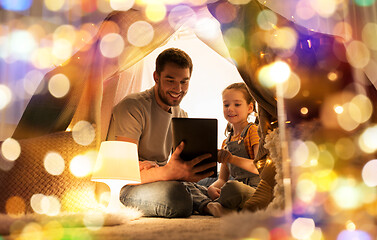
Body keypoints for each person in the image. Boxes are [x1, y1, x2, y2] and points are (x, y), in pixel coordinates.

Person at [107, 48, 216, 218]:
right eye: (170, 80)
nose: (178, 89)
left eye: (184, 82)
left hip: (162, 177)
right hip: (130, 186)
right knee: (176, 198)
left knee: (219, 183)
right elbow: (124, 172)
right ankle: (204, 202)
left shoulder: (180, 114)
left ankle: (205, 197)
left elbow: (175, 167)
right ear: (156, 77)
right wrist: (167, 172)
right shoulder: (133, 107)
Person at [205, 82, 261, 216]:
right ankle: (221, 204)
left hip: (255, 189)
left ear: (250, 108)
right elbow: (222, 179)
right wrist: (212, 189)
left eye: (237, 104)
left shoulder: (252, 131)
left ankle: (218, 205)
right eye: (226, 105)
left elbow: (259, 167)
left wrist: (232, 158)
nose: (230, 108)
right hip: (233, 186)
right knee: (203, 186)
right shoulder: (227, 141)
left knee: (232, 188)